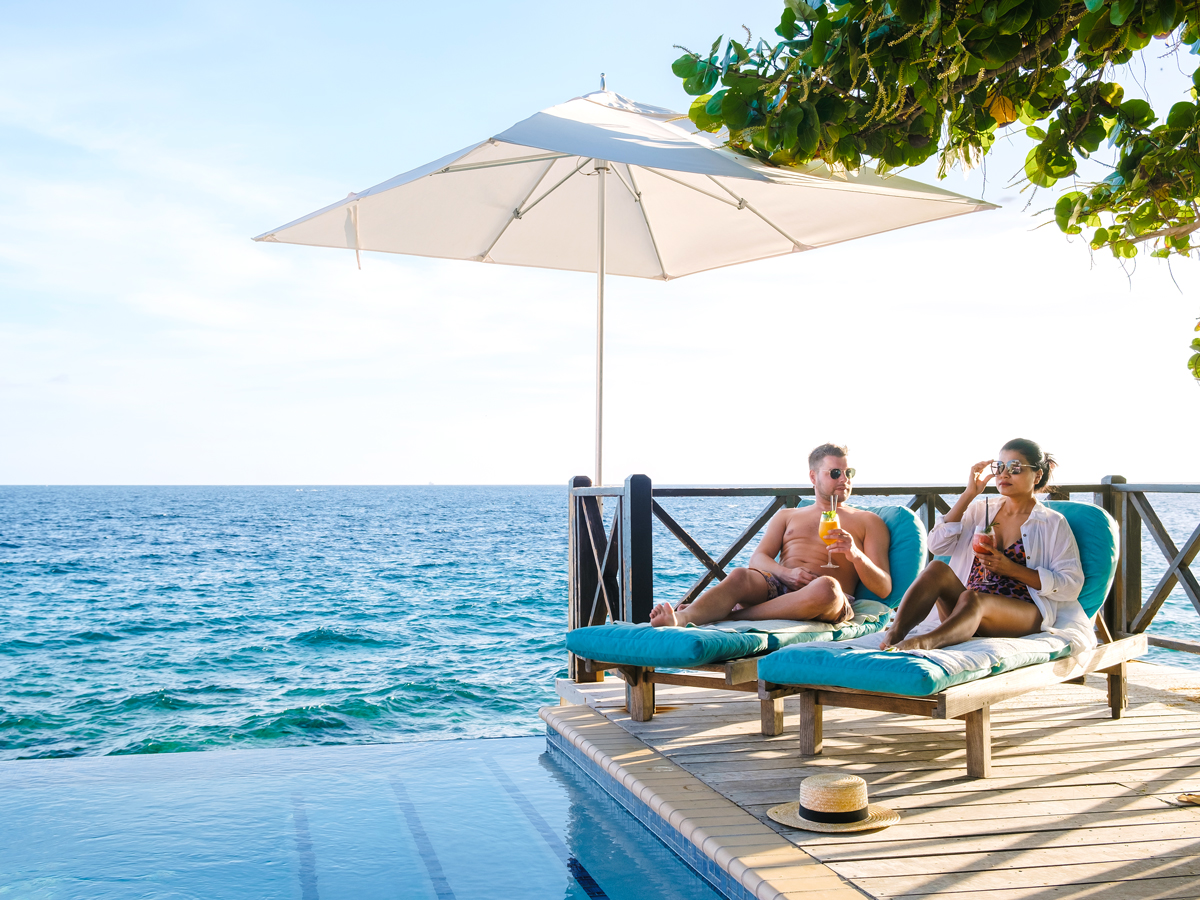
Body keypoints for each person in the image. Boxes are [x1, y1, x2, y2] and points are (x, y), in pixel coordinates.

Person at [880, 438, 1093, 653]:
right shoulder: (981, 510)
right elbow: (937, 546)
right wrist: (969, 494)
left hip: (1022, 613)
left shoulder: (1052, 522)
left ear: (1037, 475)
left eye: (1015, 467)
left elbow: (1070, 585)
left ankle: (925, 642)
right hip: (966, 608)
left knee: (974, 598)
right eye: (999, 467)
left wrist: (1012, 569)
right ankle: (894, 634)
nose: (1004, 474)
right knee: (936, 569)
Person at [649, 443, 892, 628]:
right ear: (813, 477)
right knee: (740, 575)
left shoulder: (868, 521)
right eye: (835, 472)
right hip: (779, 586)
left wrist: (855, 554)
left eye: (849, 472)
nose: (845, 479)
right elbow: (758, 559)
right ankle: (681, 618)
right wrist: (787, 574)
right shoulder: (788, 516)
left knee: (827, 588)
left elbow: (883, 588)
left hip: (827, 598)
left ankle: (731, 615)